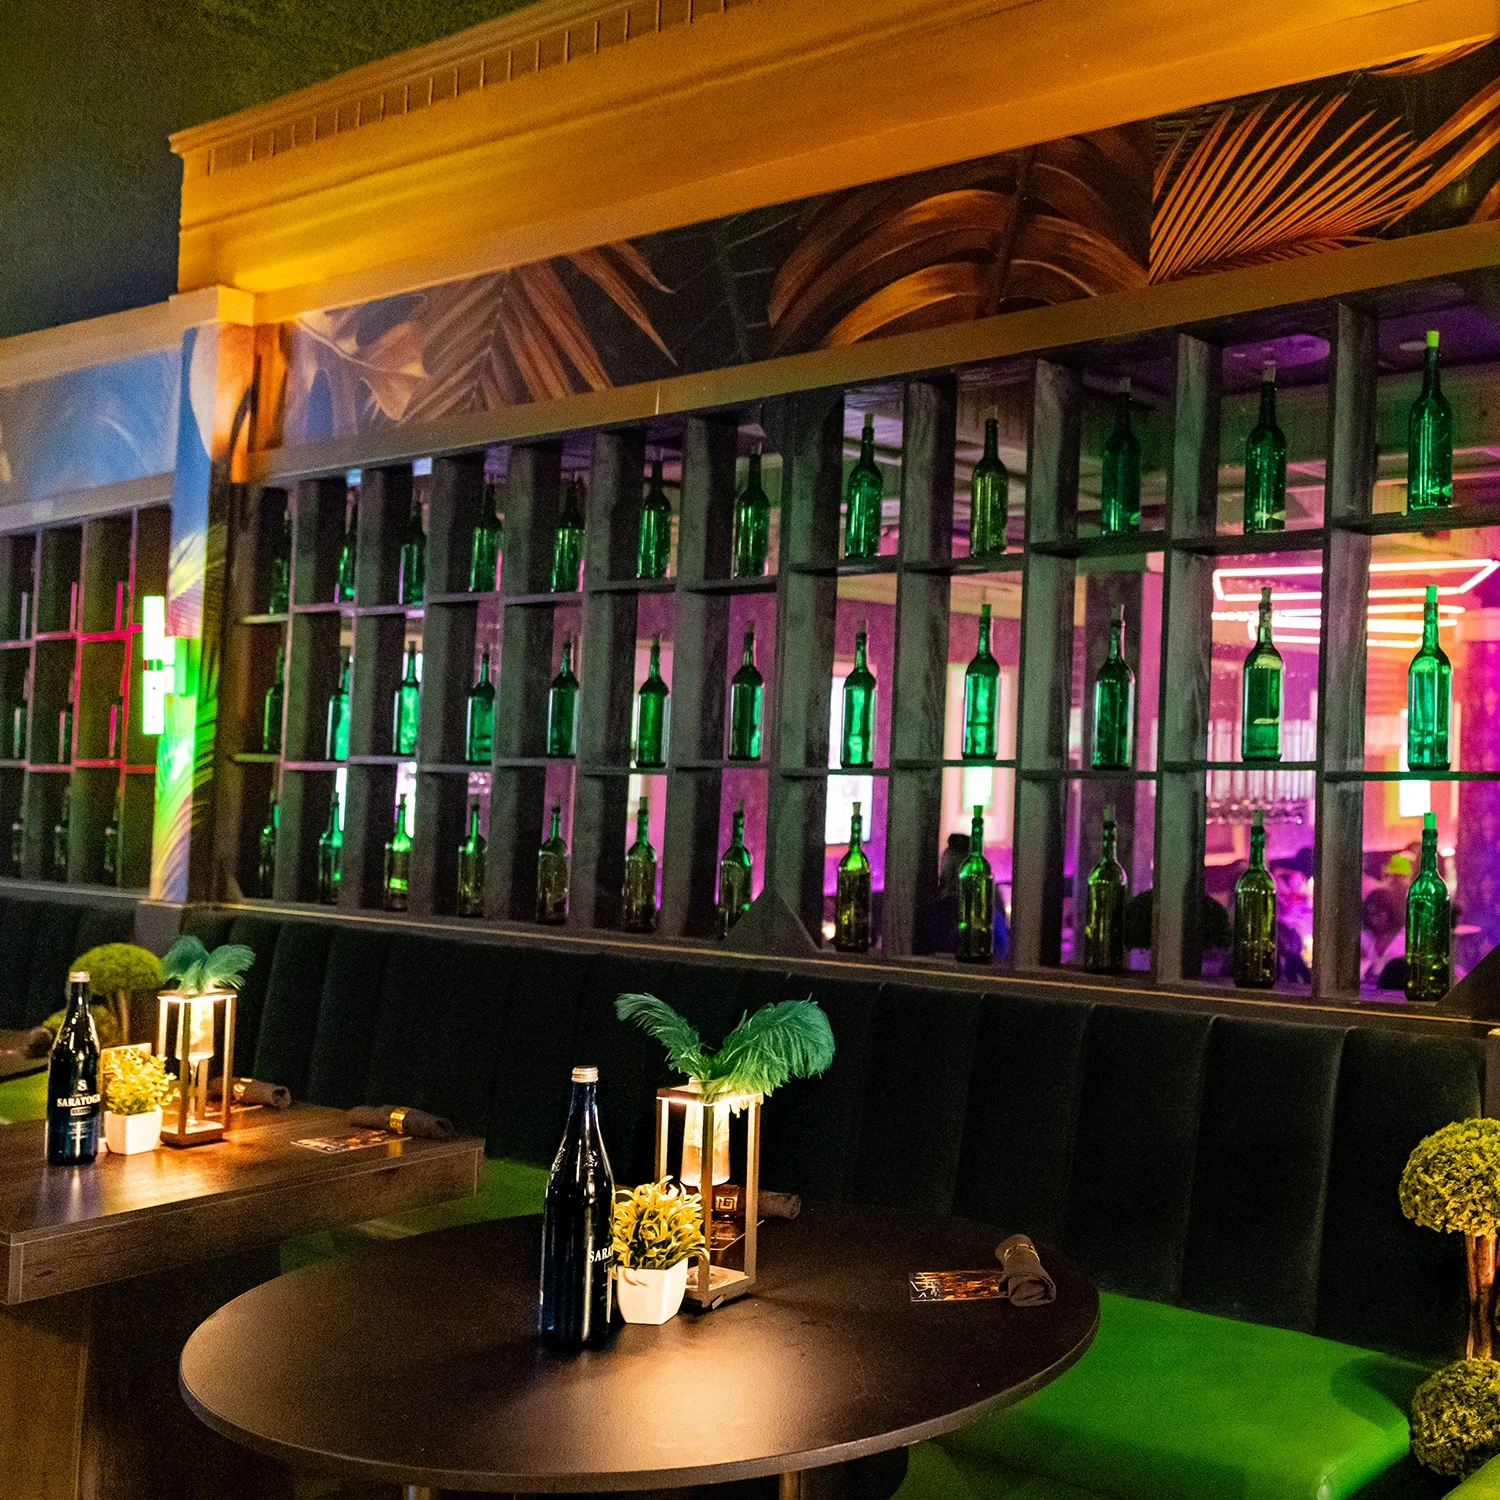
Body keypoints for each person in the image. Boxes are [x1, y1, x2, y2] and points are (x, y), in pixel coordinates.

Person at [1361, 884, 1404, 988]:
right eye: (1370, 914)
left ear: (1390, 911)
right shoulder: (1368, 938)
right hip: (1371, 992)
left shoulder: (1404, 937)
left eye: (1379, 913)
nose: (1374, 919)